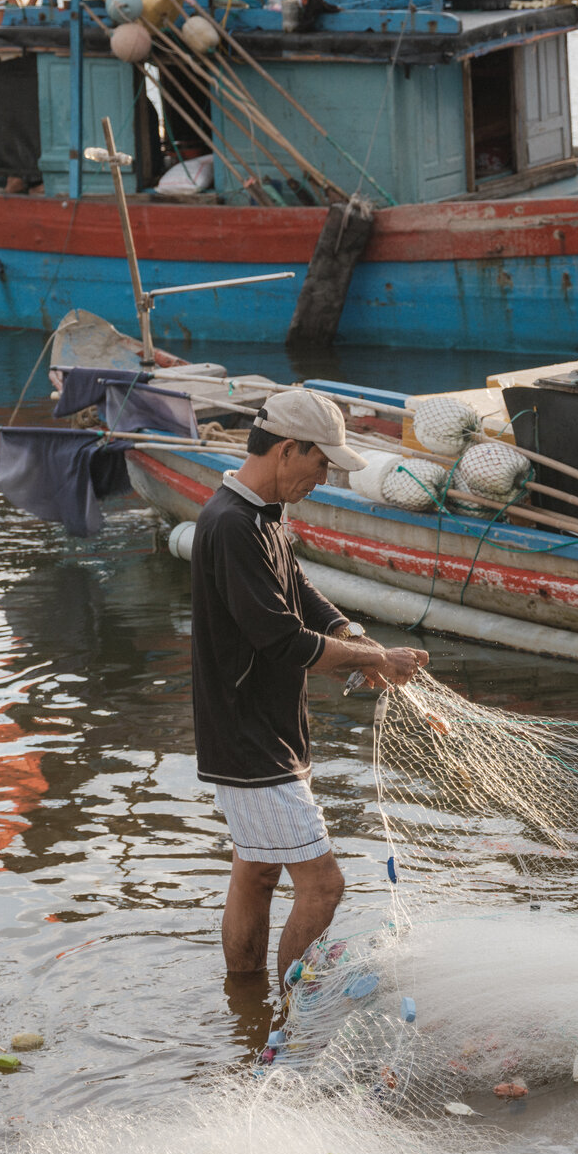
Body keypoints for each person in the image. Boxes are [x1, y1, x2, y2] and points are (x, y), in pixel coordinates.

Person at [190, 387, 430, 989]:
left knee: (257, 870)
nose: (325, 477)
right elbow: (282, 641)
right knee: (324, 886)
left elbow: (298, 594)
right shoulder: (229, 525)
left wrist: (351, 635)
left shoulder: (264, 513)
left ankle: (246, 1006)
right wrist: (377, 658)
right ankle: (291, 1025)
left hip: (259, 727)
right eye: (321, 462)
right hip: (249, 737)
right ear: (287, 449)